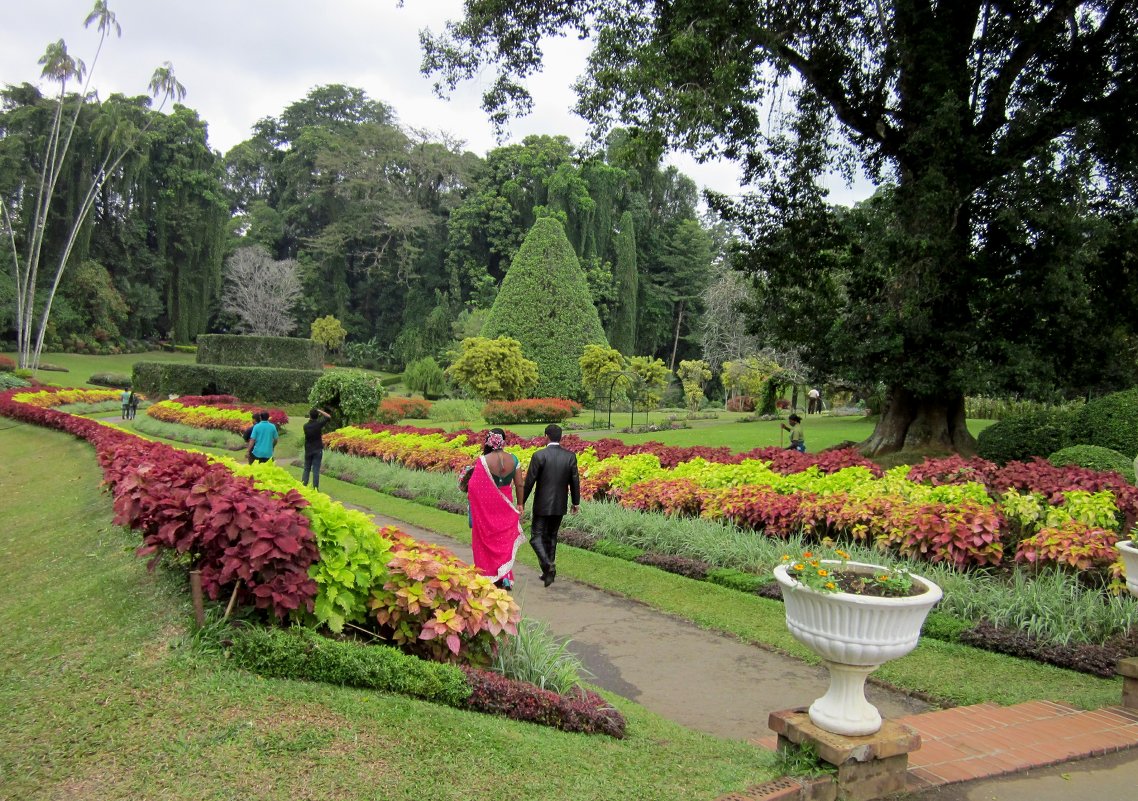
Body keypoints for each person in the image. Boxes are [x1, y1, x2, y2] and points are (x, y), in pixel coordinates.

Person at [462, 428, 525, 590]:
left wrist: (477, 505)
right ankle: (504, 577)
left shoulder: (483, 460)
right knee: (504, 541)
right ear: (503, 441)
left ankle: (488, 576)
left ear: (489, 441)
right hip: (506, 504)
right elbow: (519, 484)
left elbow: (474, 487)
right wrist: (520, 504)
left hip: (488, 507)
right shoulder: (514, 459)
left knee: (487, 539)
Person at [522, 423, 581, 587]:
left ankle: (548, 565)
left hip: (542, 504)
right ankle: (548, 573)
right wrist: (576, 502)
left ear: (546, 436)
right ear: (560, 437)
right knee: (552, 536)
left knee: (536, 537)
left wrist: (521, 502)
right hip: (559, 504)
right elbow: (575, 481)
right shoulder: (570, 456)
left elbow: (529, 482)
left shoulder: (539, 455)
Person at [302, 407, 332, 489]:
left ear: (309, 416)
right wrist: (320, 411)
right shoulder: (318, 424)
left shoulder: (305, 426)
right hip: (317, 449)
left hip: (308, 449)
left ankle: (303, 487)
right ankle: (315, 488)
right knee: (316, 470)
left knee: (306, 469)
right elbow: (328, 417)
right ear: (317, 416)